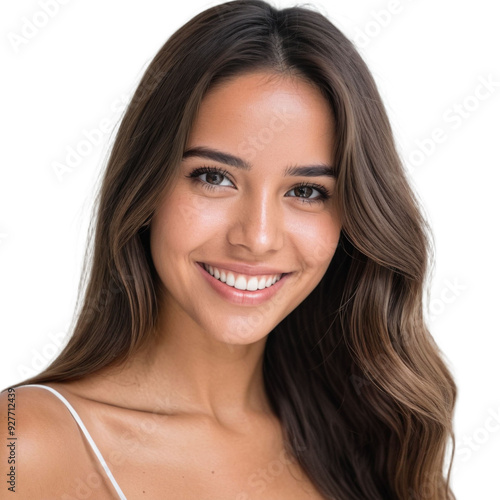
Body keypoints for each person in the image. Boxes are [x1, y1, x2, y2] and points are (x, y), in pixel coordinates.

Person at [0, 0, 457, 498]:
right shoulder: (22, 443)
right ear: (145, 187)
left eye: (305, 192)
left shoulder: (370, 440)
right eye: (214, 178)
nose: (257, 238)